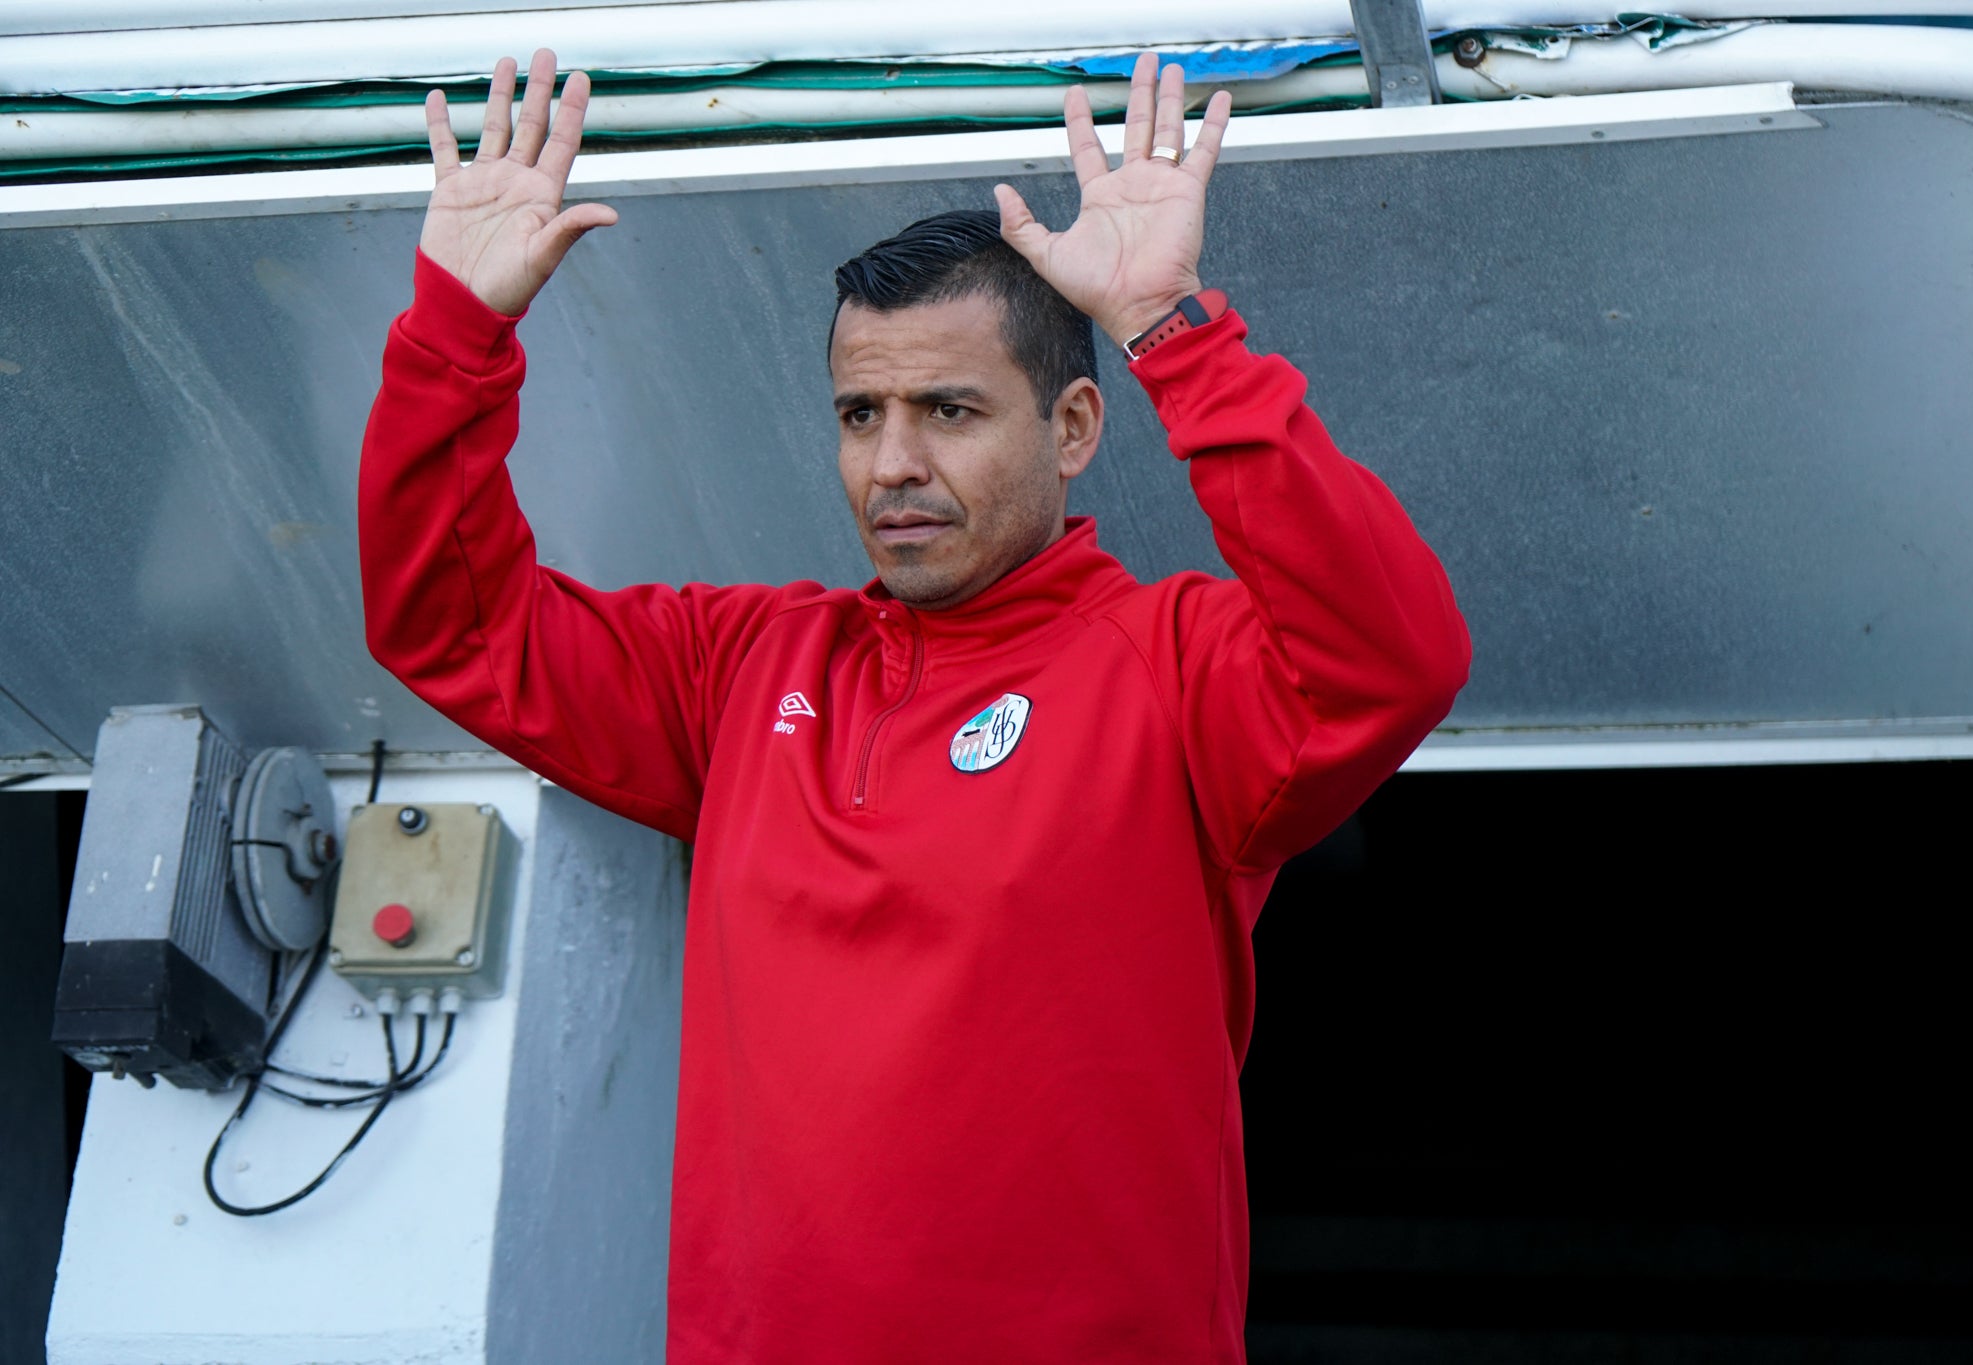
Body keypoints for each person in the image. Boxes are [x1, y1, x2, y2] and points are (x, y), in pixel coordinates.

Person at [359, 46, 1469, 1365]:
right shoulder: (744, 667)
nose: (893, 463)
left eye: (948, 410)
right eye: (859, 413)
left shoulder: (1175, 667)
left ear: (1070, 428)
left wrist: (1173, 329)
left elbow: (1391, 654)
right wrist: (454, 334)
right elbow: (451, 622)